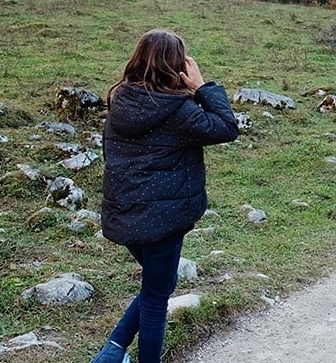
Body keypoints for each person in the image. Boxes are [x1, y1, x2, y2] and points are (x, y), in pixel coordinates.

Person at [92, 29, 240, 363]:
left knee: (160, 283)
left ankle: (112, 352)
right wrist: (202, 87)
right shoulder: (179, 111)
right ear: (178, 67)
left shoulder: (119, 102)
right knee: (157, 298)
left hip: (125, 215)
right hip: (164, 221)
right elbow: (227, 127)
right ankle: (119, 355)